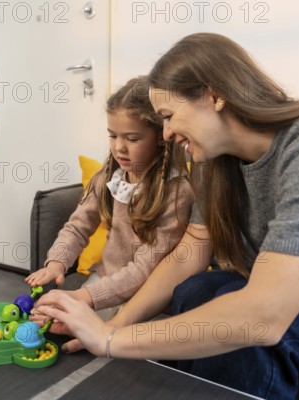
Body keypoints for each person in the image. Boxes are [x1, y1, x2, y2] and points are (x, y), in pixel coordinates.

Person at [34, 32, 299, 400]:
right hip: (295, 293)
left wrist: (111, 338)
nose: (167, 133)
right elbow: (188, 255)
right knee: (193, 291)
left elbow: (263, 316)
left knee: (243, 338)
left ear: (214, 94)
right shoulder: (212, 162)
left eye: (169, 116)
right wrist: (104, 324)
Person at [26, 76, 193, 324]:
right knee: (49, 319)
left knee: (102, 339)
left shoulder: (177, 193)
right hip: (105, 280)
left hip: (149, 295)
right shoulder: (108, 178)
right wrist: (56, 262)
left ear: (161, 136)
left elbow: (144, 269)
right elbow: (77, 227)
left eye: (132, 138)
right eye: (113, 136)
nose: (119, 148)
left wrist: (85, 297)